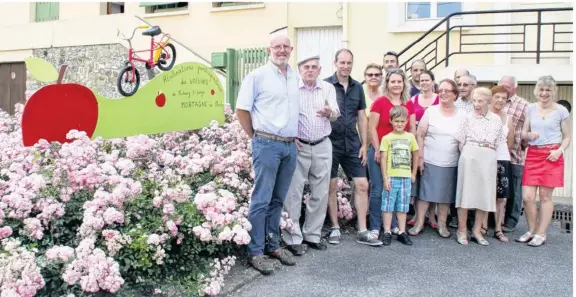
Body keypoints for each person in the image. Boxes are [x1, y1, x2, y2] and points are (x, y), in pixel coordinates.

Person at [235, 34, 300, 274]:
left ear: (291, 49)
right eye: (277, 46)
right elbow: (242, 110)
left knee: (277, 200)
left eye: (285, 46)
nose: (281, 50)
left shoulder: (294, 76)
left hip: (289, 146)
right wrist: (255, 137)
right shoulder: (257, 76)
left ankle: (273, 245)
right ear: (268, 49)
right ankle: (256, 252)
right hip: (267, 143)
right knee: (261, 200)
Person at [282, 55, 340, 255]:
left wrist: (328, 112)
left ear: (320, 69)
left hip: (323, 144)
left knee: (320, 191)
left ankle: (312, 235)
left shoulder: (328, 88)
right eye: (306, 67)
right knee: (294, 192)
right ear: (299, 69)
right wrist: (291, 135)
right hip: (299, 146)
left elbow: (336, 113)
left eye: (314, 67)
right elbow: (284, 114)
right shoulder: (291, 88)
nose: (310, 70)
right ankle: (292, 237)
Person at [325, 49, 381, 246]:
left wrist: (365, 145)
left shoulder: (358, 87)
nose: (346, 66)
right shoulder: (326, 85)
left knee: (362, 184)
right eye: (342, 62)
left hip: (353, 143)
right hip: (330, 143)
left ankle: (363, 230)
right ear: (335, 63)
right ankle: (334, 228)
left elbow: (361, 116)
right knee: (331, 186)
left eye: (349, 63)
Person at [516, 75, 571, 247]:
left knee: (546, 197)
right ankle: (532, 230)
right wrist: (528, 135)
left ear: (554, 91)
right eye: (541, 89)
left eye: (548, 89)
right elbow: (523, 133)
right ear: (536, 91)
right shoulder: (530, 109)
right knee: (527, 196)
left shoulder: (561, 110)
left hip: (551, 155)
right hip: (533, 154)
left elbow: (568, 137)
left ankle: (541, 233)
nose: (544, 93)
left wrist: (559, 151)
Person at [408, 79, 463, 238]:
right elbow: (420, 134)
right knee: (424, 194)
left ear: (455, 94)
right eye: (441, 90)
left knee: (445, 196)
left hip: (451, 161)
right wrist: (420, 157)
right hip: (429, 159)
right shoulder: (431, 111)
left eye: (448, 91)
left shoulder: (462, 115)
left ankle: (442, 225)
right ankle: (419, 224)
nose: (443, 93)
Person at [454, 87, 505, 246]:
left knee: (485, 194)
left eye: (480, 101)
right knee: (466, 193)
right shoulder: (467, 118)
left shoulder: (496, 120)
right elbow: (460, 140)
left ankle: (477, 230)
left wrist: (484, 152)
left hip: (488, 155)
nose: (476, 104)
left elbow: (498, 142)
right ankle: (462, 230)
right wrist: (471, 152)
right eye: (474, 100)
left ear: (488, 102)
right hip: (469, 155)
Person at [368, 69, 415, 240]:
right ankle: (374, 227)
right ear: (387, 83)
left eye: (399, 81)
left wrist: (410, 154)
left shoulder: (408, 104)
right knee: (378, 189)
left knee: (395, 190)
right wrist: (377, 149)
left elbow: (412, 130)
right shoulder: (380, 102)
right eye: (392, 81)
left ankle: (394, 225)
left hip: (399, 156)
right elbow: (371, 127)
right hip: (380, 151)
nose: (396, 85)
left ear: (404, 83)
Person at [379, 105, 419, 246]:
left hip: (405, 177)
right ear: (391, 121)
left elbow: (416, 154)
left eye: (402, 121)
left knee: (402, 207)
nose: (399, 124)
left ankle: (402, 232)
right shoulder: (387, 138)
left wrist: (413, 173)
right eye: (396, 121)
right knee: (388, 206)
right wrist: (385, 178)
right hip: (391, 176)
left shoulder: (410, 137)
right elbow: (383, 159)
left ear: (407, 121)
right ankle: (387, 231)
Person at [481, 86, 515, 243]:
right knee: (486, 193)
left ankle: (498, 228)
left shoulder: (508, 119)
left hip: (502, 159)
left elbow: (510, 143)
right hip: (485, 158)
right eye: (497, 97)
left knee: (501, 197)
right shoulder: (483, 115)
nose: (500, 100)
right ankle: (482, 226)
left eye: (503, 98)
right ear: (491, 98)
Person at [407, 70, 439, 229]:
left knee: (432, 178)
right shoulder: (413, 99)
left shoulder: (439, 100)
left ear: (433, 81)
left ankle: (432, 214)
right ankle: (417, 214)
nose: (424, 83)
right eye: (421, 80)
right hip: (417, 142)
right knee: (418, 178)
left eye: (427, 80)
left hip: (434, 143)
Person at [499, 76, 530, 233]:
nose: (504, 89)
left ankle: (511, 220)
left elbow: (528, 129)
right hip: (497, 155)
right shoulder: (495, 101)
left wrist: (523, 145)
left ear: (515, 88)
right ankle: (496, 219)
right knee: (499, 188)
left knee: (514, 190)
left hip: (515, 155)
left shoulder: (524, 105)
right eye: (501, 86)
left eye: (507, 87)